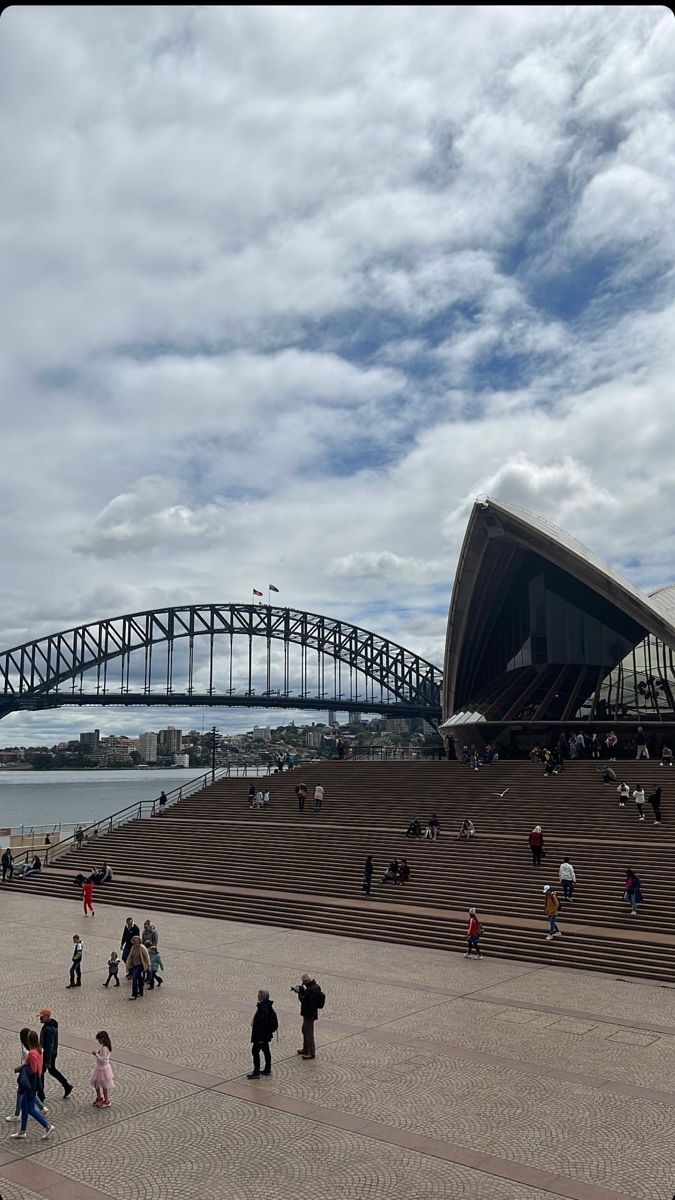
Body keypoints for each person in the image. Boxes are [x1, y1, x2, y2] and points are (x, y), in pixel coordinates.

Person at [10, 1030, 54, 1141]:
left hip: (30, 1083)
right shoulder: (40, 1050)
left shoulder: (32, 1053)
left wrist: (22, 1068)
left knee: (30, 1109)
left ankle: (47, 1126)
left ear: (30, 1040)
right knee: (24, 1107)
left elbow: (33, 1069)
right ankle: (22, 1131)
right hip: (34, 1082)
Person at [5, 1028, 46, 1124]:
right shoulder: (39, 1049)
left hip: (29, 1076)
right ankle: (41, 1108)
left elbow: (32, 1067)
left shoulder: (30, 1052)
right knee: (27, 1095)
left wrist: (20, 1068)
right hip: (34, 1076)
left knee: (23, 1096)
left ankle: (17, 1116)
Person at [38, 1009, 73, 1098]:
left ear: (47, 1017)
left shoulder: (48, 1029)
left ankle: (41, 1094)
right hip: (51, 1053)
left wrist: (48, 1061)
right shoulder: (50, 1025)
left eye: (42, 1017)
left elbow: (49, 1046)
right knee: (52, 1070)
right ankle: (66, 1085)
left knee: (41, 1072)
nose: (40, 1019)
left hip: (48, 1054)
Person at [292, 973, 325, 1060]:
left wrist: (299, 992)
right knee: (304, 1030)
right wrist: (303, 991)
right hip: (309, 1013)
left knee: (309, 1033)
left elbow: (304, 1000)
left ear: (306, 981)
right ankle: (306, 1048)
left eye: (303, 982)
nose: (303, 984)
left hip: (309, 1014)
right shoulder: (314, 987)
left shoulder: (312, 989)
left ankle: (311, 1052)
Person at [247, 989, 278, 1078]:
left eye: (258, 995)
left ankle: (256, 1072)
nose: (257, 996)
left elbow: (262, 1024)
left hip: (261, 1036)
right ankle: (267, 1069)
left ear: (261, 997)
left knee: (255, 1051)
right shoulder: (267, 1006)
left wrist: (260, 1038)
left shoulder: (263, 1008)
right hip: (265, 1035)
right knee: (266, 1050)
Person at [90, 1031, 114, 1108]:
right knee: (96, 1083)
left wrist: (96, 1054)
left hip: (102, 1069)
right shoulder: (104, 1047)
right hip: (99, 1068)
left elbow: (103, 1060)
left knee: (104, 1085)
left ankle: (106, 1101)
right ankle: (99, 1098)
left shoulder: (104, 1048)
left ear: (103, 1039)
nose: (98, 1041)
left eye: (99, 1039)